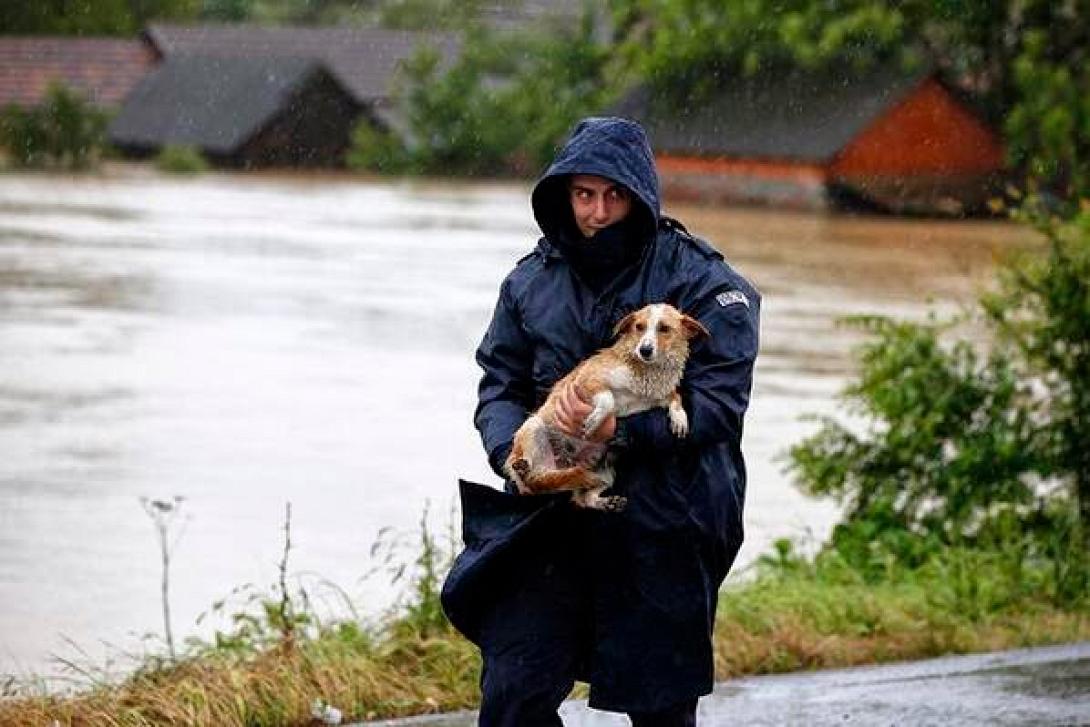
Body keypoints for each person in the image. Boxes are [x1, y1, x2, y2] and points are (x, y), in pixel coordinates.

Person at [441, 117, 761, 726]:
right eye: (584, 194)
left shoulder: (703, 281)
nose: (598, 211)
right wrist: (518, 458)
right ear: (564, 195)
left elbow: (721, 406)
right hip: (551, 516)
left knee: (660, 708)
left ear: (639, 197)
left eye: (614, 195)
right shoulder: (529, 282)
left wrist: (622, 433)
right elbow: (499, 385)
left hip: (665, 519)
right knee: (514, 693)